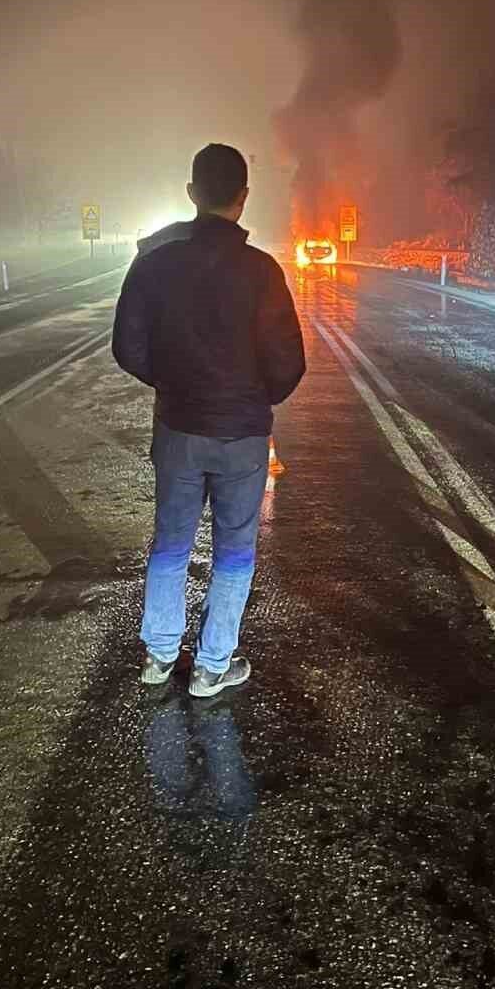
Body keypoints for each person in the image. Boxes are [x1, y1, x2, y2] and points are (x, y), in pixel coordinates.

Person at [112, 143, 306, 696]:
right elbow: (288, 361)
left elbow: (128, 347)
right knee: (235, 549)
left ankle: (158, 656)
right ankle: (213, 665)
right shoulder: (262, 272)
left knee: (171, 542)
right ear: (243, 198)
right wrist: (253, 398)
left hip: (178, 428)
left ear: (192, 193)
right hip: (241, 434)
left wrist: (174, 386)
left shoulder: (155, 265)